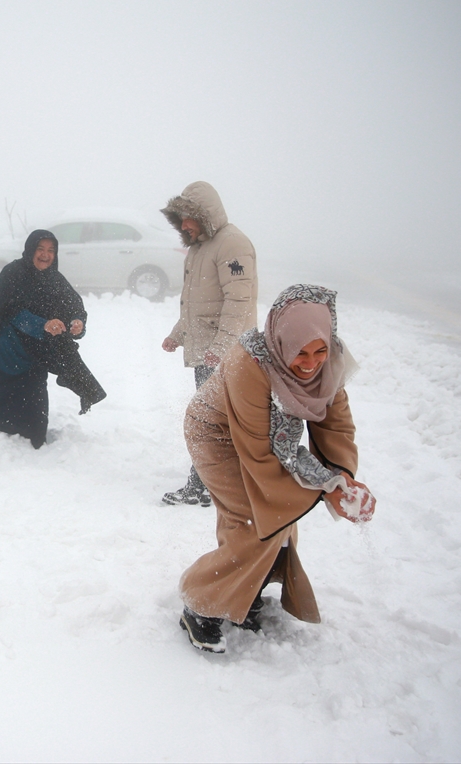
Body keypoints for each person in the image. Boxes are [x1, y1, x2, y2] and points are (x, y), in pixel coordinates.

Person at [176, 284, 375, 654]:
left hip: (263, 440)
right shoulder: (248, 363)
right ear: (282, 341)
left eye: (320, 350)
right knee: (256, 519)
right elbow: (264, 450)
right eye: (301, 352)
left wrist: (343, 477)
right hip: (216, 433)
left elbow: (336, 425)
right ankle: (201, 605)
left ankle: (244, 591)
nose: (311, 362)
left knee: (272, 517)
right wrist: (325, 482)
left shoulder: (329, 360)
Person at [160, 181, 258, 507]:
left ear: (206, 214)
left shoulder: (232, 244)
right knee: (217, 423)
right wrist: (179, 333)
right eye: (181, 219)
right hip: (208, 352)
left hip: (226, 354)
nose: (184, 225)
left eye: (189, 218)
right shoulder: (200, 247)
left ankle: (206, 486)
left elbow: (238, 300)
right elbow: (194, 302)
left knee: (211, 424)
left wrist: (223, 346)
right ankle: (213, 485)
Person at [0, 229, 106, 448]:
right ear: (30, 250)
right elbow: (10, 310)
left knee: (33, 399)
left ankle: (33, 434)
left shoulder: (54, 278)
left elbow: (73, 304)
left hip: (31, 347)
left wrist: (77, 321)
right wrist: (43, 324)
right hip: (0, 343)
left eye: (51, 250)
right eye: (40, 249)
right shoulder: (13, 272)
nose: (45, 255)